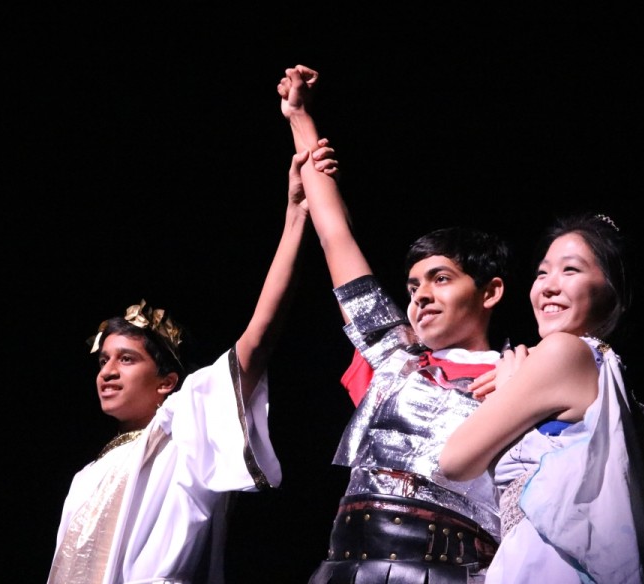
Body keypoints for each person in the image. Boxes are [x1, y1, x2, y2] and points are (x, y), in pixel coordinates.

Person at [46, 145, 338, 584]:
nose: (107, 372)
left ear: (167, 382)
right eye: (104, 360)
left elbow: (256, 341)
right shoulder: (87, 477)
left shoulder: (184, 430)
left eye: (127, 359)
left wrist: (296, 217)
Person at [278, 64, 509, 583]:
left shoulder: (521, 377)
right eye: (412, 287)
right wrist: (300, 119)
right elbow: (334, 235)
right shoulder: (393, 357)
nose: (422, 295)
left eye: (442, 279)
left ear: (491, 291)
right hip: (346, 567)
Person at [439, 214, 644, 583]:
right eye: (543, 272)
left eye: (571, 270)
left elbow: (453, 461)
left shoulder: (564, 352)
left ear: (612, 290)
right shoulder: (608, 370)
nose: (548, 286)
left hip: (547, 562)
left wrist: (512, 382)